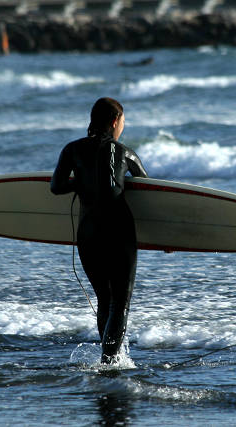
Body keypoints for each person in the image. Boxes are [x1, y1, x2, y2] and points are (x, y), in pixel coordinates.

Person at [51, 97, 148, 364]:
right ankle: (110, 364)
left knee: (104, 298)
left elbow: (56, 186)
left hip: (88, 233)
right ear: (115, 121)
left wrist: (83, 181)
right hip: (118, 230)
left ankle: (109, 362)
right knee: (120, 301)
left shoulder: (72, 150)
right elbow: (152, 193)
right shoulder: (124, 152)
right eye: (123, 122)